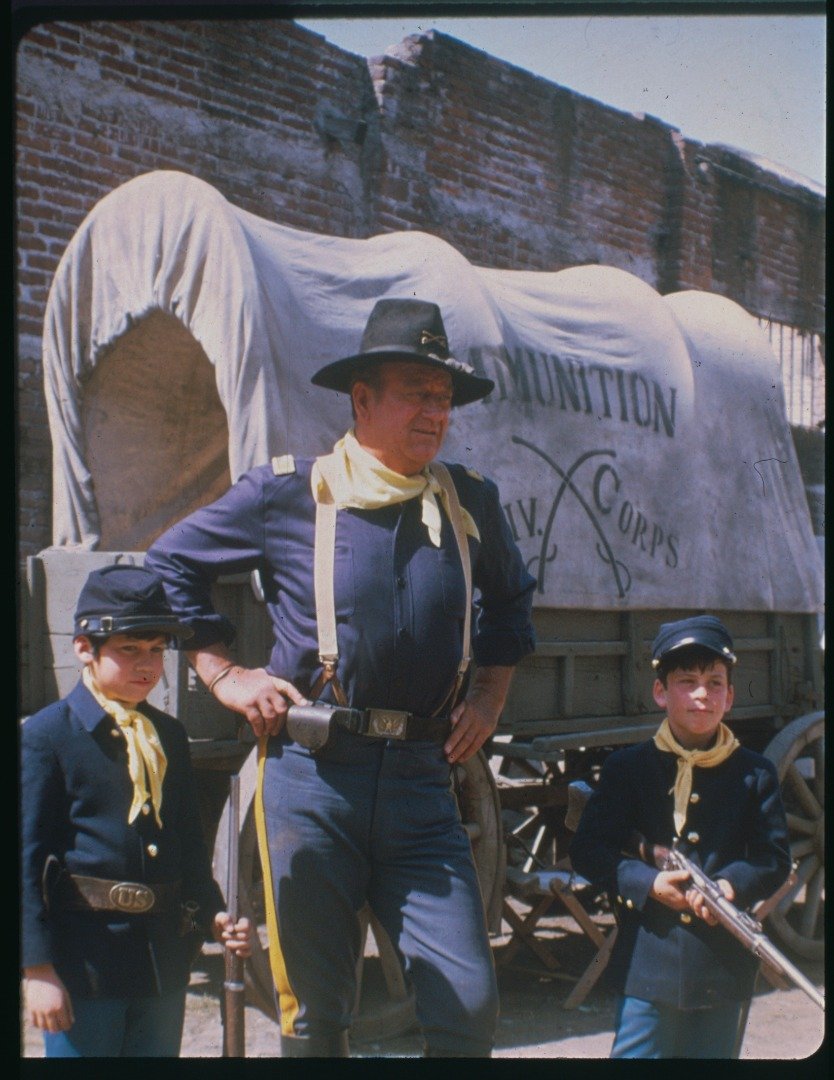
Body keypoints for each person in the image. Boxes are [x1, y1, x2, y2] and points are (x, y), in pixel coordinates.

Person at [145, 297, 537, 1057]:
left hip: (426, 781)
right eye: (417, 393)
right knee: (316, 1018)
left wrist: (490, 694)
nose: (436, 412)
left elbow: (513, 598)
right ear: (362, 399)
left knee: (468, 1008)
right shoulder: (289, 493)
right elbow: (171, 565)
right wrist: (221, 671)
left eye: (445, 398)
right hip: (314, 783)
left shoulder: (468, 501)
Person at [21, 565, 252, 1058]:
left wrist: (213, 912)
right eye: (129, 649)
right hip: (83, 968)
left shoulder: (167, 735)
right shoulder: (48, 736)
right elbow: (22, 860)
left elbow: (189, 843)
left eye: (156, 650)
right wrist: (37, 969)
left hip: (160, 964)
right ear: (85, 647)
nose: (147, 664)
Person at [570, 615, 791, 1059]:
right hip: (647, 963)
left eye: (714, 683)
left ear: (730, 696)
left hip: (723, 966)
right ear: (659, 692)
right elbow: (588, 851)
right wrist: (648, 883)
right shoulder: (627, 768)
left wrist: (729, 886)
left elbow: (773, 858)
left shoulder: (756, 774)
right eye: (686, 681)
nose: (700, 695)